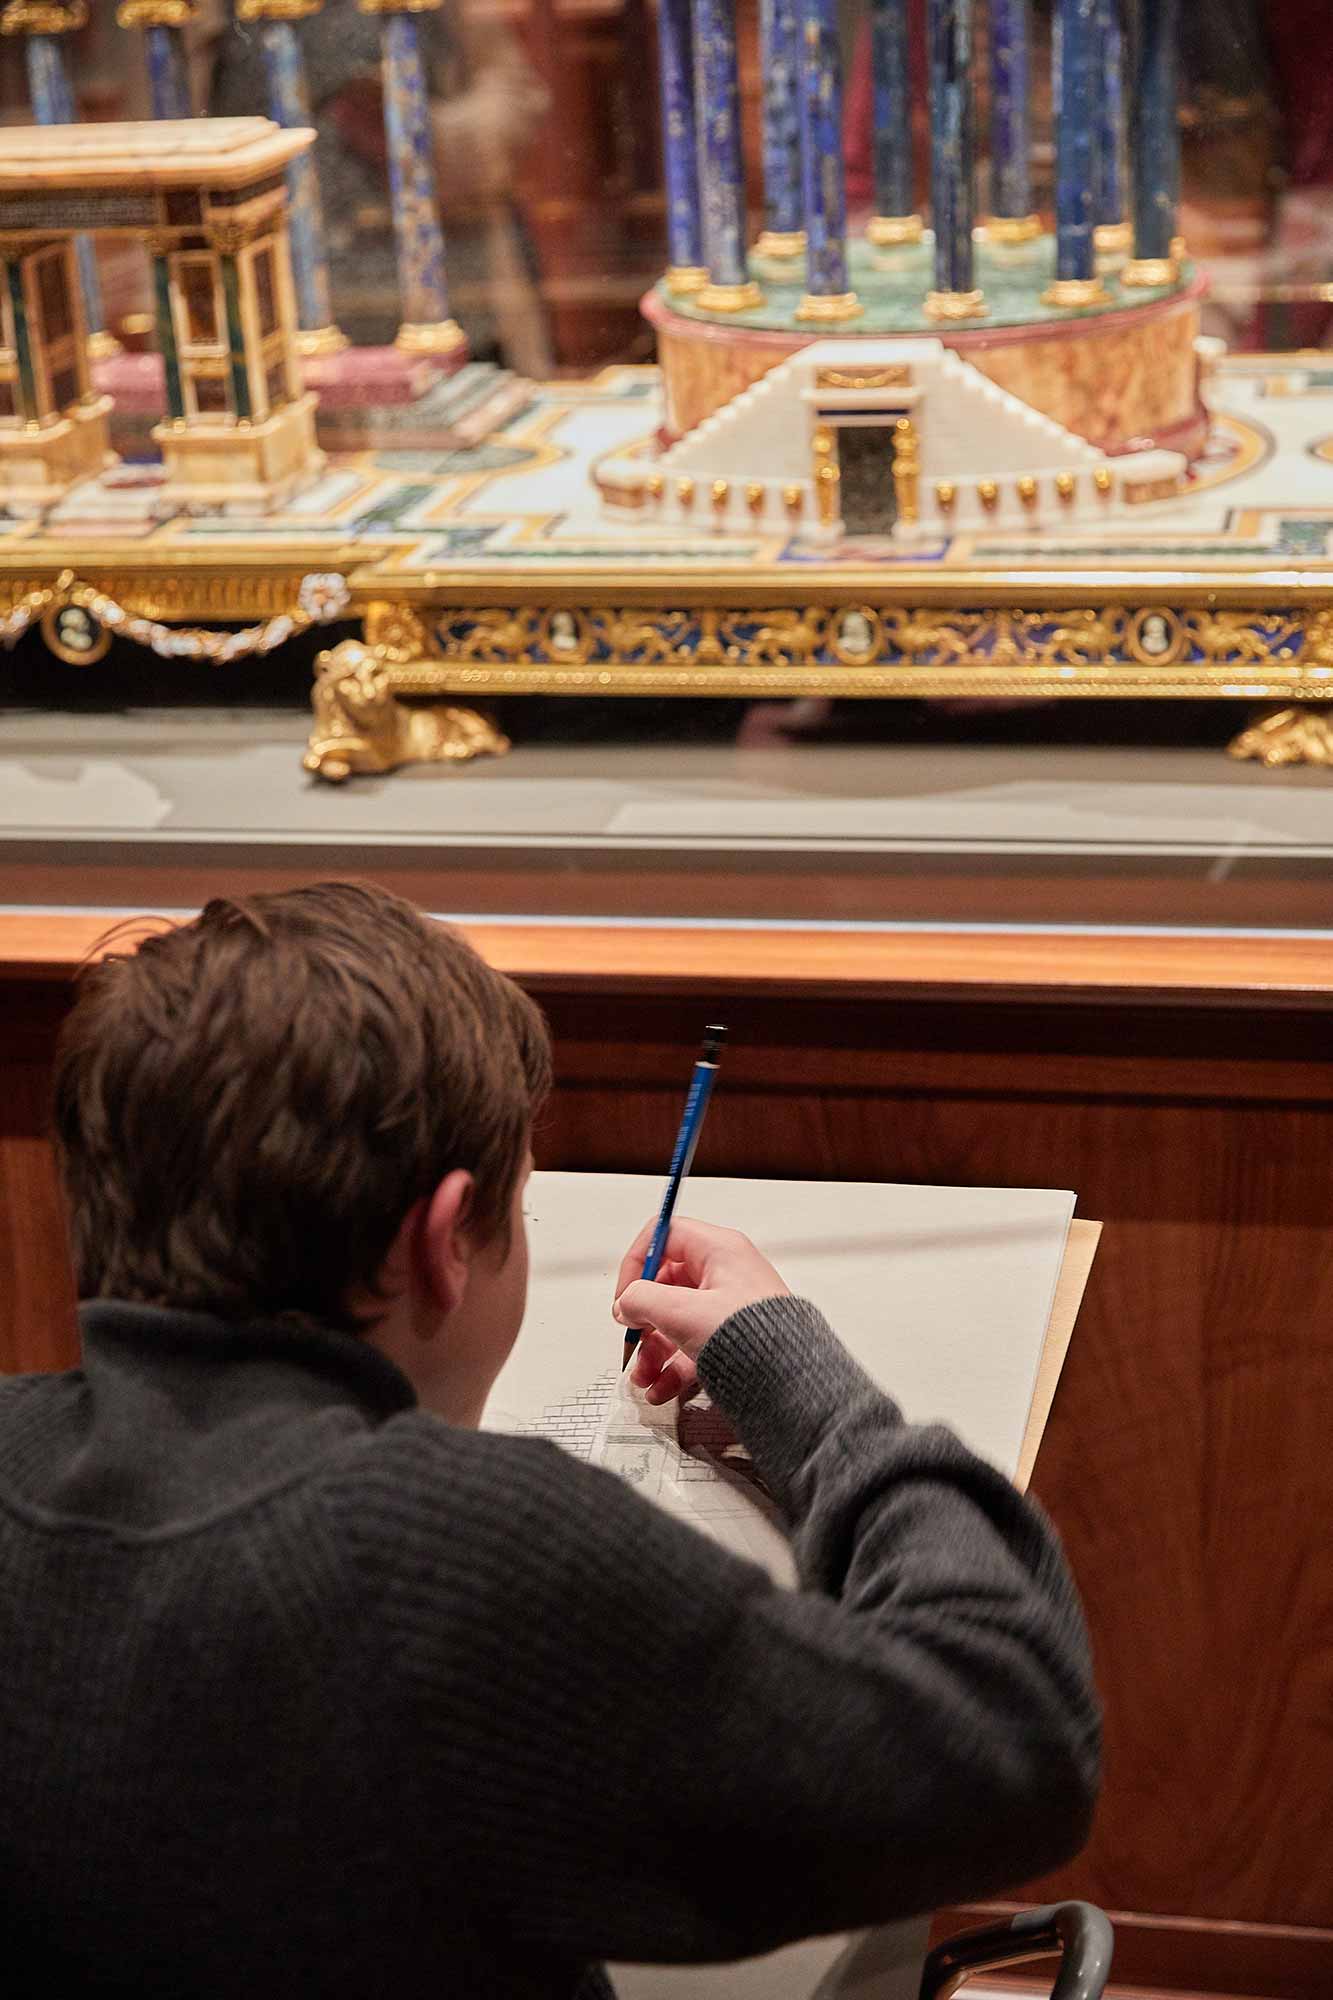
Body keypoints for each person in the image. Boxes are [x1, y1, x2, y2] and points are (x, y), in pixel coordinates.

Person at [0, 883, 1100, 1998]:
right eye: (520, 1209)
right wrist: (801, 1386)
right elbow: (1012, 1736)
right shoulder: (451, 1554)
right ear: (439, 1245)